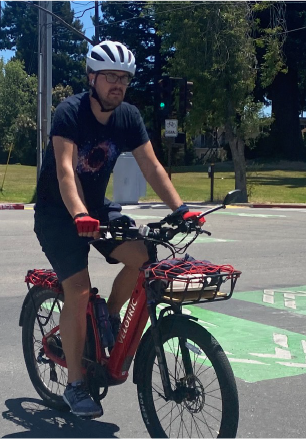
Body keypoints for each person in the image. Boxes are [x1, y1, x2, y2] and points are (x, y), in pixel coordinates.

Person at [33, 40, 203, 418]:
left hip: (96, 210)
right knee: (76, 291)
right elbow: (64, 170)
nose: (117, 84)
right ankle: (76, 384)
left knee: (143, 256)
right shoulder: (70, 112)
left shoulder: (128, 116)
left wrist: (183, 209)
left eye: (124, 78)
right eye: (110, 76)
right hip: (58, 214)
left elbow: (152, 166)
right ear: (91, 78)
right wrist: (78, 213)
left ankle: (109, 315)